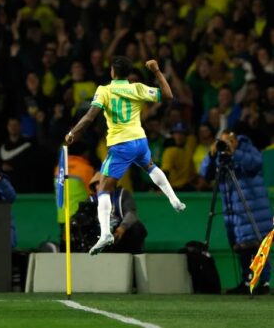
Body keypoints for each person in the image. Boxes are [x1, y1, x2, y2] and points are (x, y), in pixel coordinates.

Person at [65, 56, 185, 255]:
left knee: (103, 187)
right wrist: (155, 70)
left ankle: (105, 234)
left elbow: (89, 117)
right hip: (140, 140)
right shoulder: (137, 88)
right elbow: (168, 95)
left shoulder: (104, 90)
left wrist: (72, 133)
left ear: (112, 71)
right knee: (150, 166)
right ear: (128, 73)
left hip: (121, 145)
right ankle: (174, 200)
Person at [200, 130, 273, 295]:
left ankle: (264, 282)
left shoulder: (246, 148)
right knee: (242, 247)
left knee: (258, 245)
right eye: (222, 141)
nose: (225, 145)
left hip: (253, 208)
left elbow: (256, 163)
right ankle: (246, 281)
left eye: (228, 141)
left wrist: (236, 152)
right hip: (234, 211)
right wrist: (211, 155)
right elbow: (205, 174)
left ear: (235, 140)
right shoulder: (220, 155)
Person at [72, 172, 147, 254]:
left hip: (121, 233)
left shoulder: (122, 195)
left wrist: (122, 228)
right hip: (99, 235)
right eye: (96, 184)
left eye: (101, 183)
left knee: (137, 227)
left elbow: (131, 214)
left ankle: (134, 256)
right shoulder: (91, 200)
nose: (99, 187)